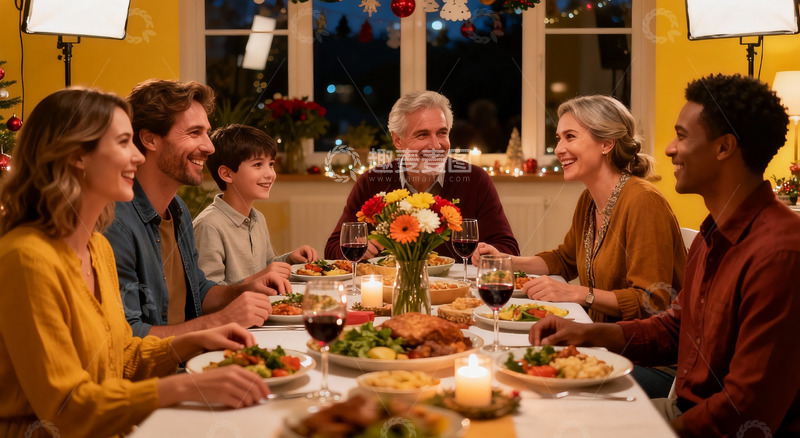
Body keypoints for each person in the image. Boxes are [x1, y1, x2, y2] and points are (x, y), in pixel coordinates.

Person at [529, 74, 800, 437]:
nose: (669, 148)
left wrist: (655, 431)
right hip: (685, 409)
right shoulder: (711, 234)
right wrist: (583, 333)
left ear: (724, 148)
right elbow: (673, 328)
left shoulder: (780, 252)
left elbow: (746, 407)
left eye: (682, 136)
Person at [0, 88, 269, 437]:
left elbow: (121, 355)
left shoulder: (96, 248)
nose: (138, 158)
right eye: (124, 142)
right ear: (77, 156)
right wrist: (185, 387)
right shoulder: (27, 259)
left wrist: (202, 337)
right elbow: (66, 409)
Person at [105, 79, 291, 338]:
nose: (209, 147)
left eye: (206, 132)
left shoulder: (177, 209)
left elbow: (199, 291)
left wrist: (247, 287)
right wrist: (222, 321)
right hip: (170, 371)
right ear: (150, 139)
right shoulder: (115, 224)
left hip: (195, 355)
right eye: (194, 133)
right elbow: (128, 335)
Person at [478, 95, 686, 323]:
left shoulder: (643, 202)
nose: (558, 149)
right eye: (558, 138)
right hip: (600, 332)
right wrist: (505, 261)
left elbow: (651, 302)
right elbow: (564, 260)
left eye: (570, 137)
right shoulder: (589, 200)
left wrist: (576, 293)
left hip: (638, 349)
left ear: (606, 143)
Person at [324, 91, 519, 259]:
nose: (436, 145)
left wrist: (490, 252)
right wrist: (358, 247)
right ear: (398, 140)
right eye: (422, 135)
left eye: (442, 133)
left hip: (454, 296)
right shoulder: (371, 181)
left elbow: (509, 248)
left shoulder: (475, 180)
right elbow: (332, 248)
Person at [194, 124, 318, 285]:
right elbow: (208, 294)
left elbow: (264, 268)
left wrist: (289, 259)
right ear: (227, 174)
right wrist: (262, 277)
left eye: (271, 164)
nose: (270, 174)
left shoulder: (258, 218)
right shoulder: (209, 226)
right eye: (258, 165)